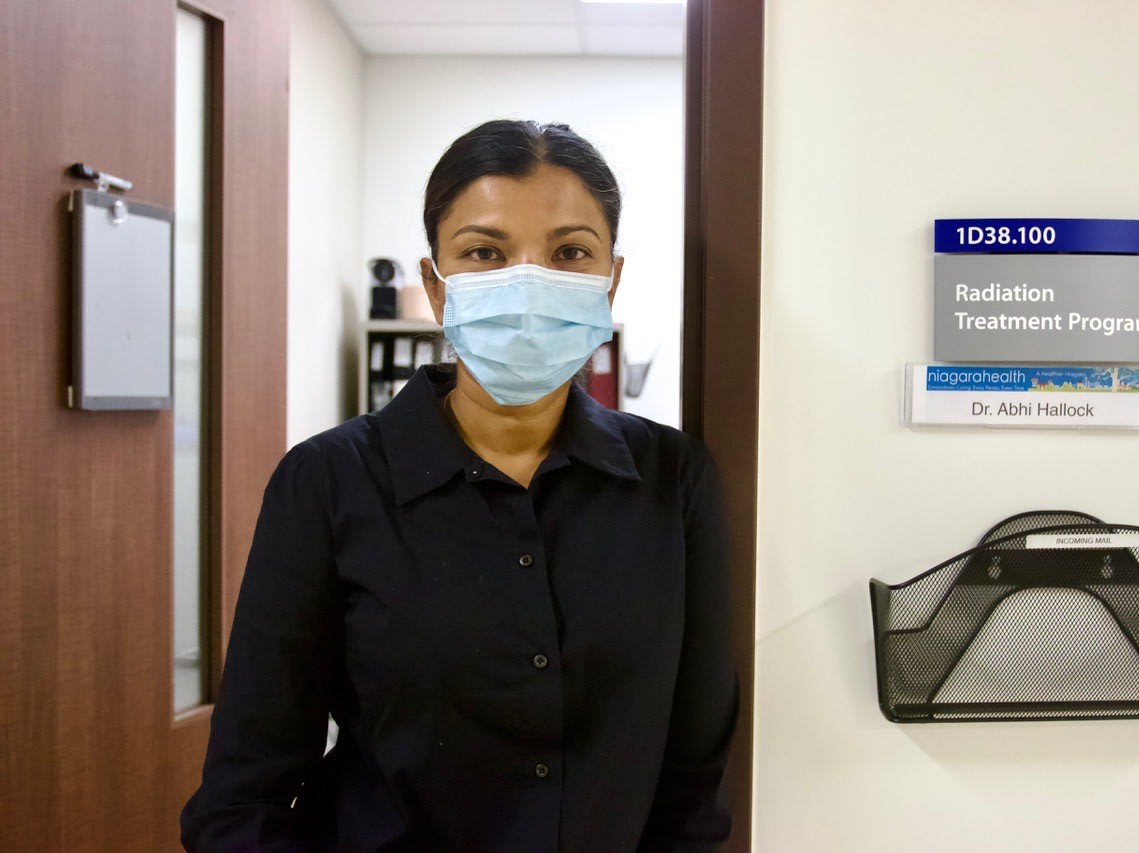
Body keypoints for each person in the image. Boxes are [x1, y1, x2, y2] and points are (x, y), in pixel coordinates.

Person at [180, 119, 738, 852]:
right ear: (436, 289)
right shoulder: (328, 483)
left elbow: (695, 785)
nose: (531, 282)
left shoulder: (676, 482)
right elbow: (238, 801)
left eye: (570, 252)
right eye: (485, 252)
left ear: (611, 280)